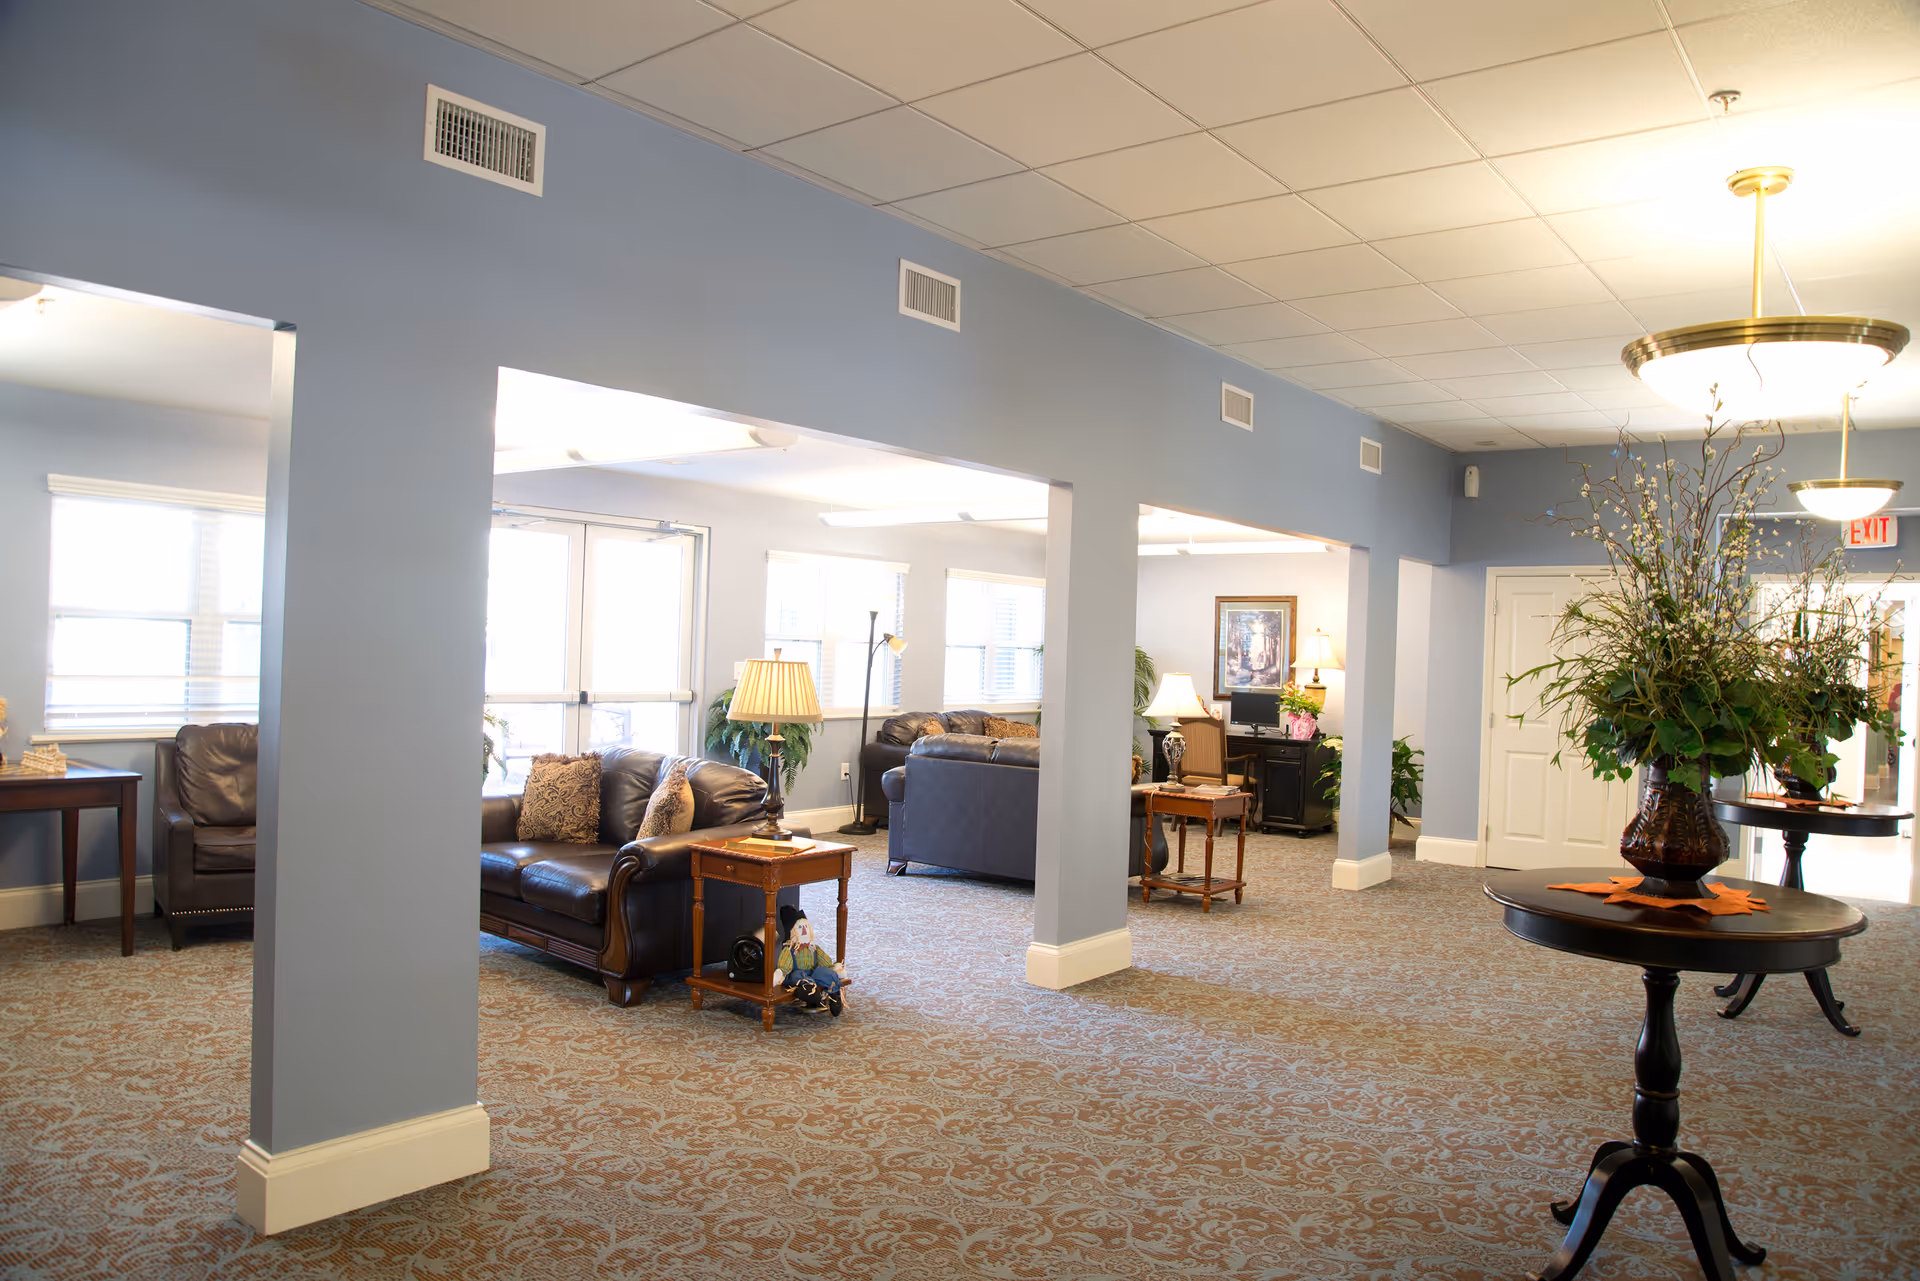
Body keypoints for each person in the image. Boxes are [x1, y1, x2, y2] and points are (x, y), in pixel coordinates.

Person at [773, 907, 847, 1017]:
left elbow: (824, 962)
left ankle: (834, 993)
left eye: (806, 927)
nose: (804, 930)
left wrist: (833, 968)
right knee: (800, 975)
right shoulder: (789, 951)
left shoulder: (814, 949)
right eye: (800, 927)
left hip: (812, 973)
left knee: (825, 973)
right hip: (797, 975)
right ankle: (809, 991)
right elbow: (785, 966)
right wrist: (780, 974)